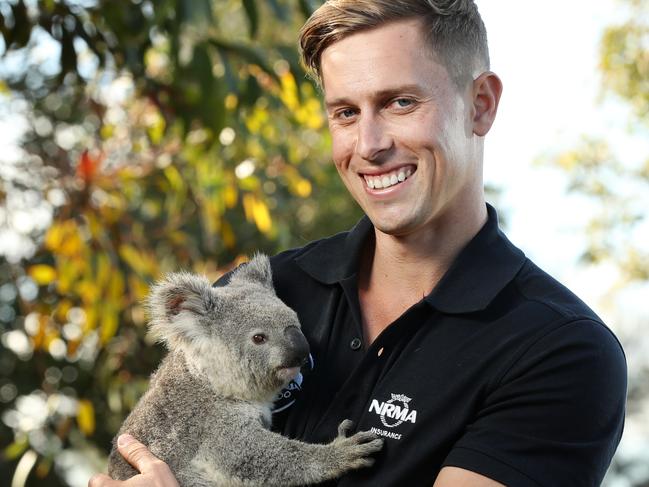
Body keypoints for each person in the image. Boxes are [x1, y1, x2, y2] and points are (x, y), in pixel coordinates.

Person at [89, 1, 627, 486]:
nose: (369, 146)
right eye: (346, 112)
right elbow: (155, 452)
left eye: (399, 102)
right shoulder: (259, 293)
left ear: (480, 104)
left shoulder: (558, 351)